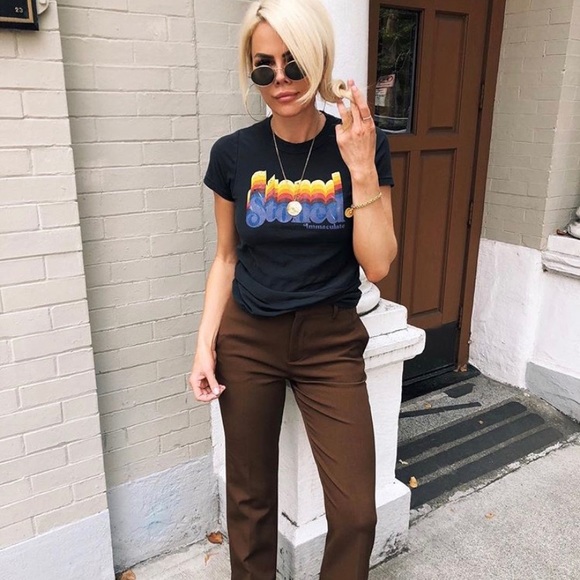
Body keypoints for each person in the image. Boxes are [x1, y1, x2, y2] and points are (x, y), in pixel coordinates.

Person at [189, 0, 397, 578]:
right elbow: (226, 257)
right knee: (250, 502)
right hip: (248, 337)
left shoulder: (360, 144)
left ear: (318, 59)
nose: (280, 79)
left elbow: (378, 264)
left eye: (294, 63)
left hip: (329, 340)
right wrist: (205, 345)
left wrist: (360, 169)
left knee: (356, 514)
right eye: (264, 66)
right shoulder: (233, 154)